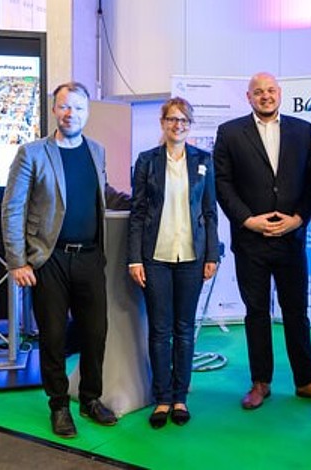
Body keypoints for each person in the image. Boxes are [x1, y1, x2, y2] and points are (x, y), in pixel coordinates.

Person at [2, 81, 127, 438]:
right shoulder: (32, 153)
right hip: (49, 259)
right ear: (54, 110)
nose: (71, 114)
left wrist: (140, 201)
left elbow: (100, 194)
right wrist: (17, 261)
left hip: (89, 258)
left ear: (88, 113)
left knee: (95, 333)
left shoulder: (97, 151)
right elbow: (12, 210)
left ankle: (89, 399)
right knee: (54, 337)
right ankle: (58, 405)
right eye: (65, 107)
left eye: (79, 108)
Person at [213, 72, 311, 409]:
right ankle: (260, 382)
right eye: (258, 92)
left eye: (270, 91)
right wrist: (249, 220)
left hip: (291, 238)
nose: (265, 96)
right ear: (248, 97)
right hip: (251, 240)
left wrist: (298, 219)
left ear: (280, 94)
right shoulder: (230, 132)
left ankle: (306, 381)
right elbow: (223, 184)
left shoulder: (303, 130)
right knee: (256, 313)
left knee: (297, 312)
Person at [127, 97, 220, 429]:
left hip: (192, 258)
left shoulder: (204, 161)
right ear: (163, 122)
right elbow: (137, 213)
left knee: (184, 330)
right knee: (159, 330)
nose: (177, 124)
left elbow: (210, 213)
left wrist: (213, 255)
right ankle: (162, 398)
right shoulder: (146, 161)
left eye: (183, 120)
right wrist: (134, 258)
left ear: (190, 125)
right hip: (156, 258)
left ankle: (180, 396)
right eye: (172, 119)